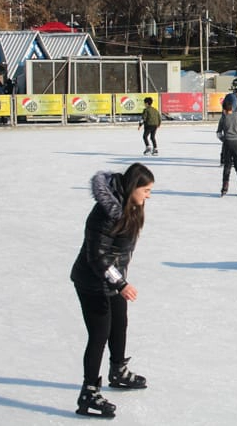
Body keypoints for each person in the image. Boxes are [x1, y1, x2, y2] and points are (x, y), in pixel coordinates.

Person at [70, 163, 155, 418]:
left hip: (113, 277)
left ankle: (118, 371)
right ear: (132, 188)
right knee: (99, 333)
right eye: (146, 190)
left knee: (120, 323)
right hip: (92, 280)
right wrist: (121, 284)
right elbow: (97, 256)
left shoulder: (132, 207)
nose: (149, 195)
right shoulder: (105, 213)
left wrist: (119, 280)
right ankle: (88, 393)